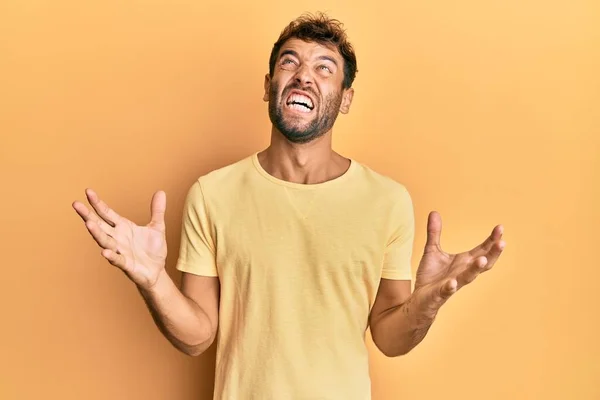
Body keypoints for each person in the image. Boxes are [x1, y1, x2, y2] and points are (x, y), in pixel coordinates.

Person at [72, 12, 505, 400]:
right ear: (269, 86)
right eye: (289, 62)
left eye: (324, 68)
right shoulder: (212, 193)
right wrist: (153, 283)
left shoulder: (387, 200)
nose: (303, 76)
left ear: (346, 98)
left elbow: (390, 338)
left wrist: (425, 303)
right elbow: (197, 336)